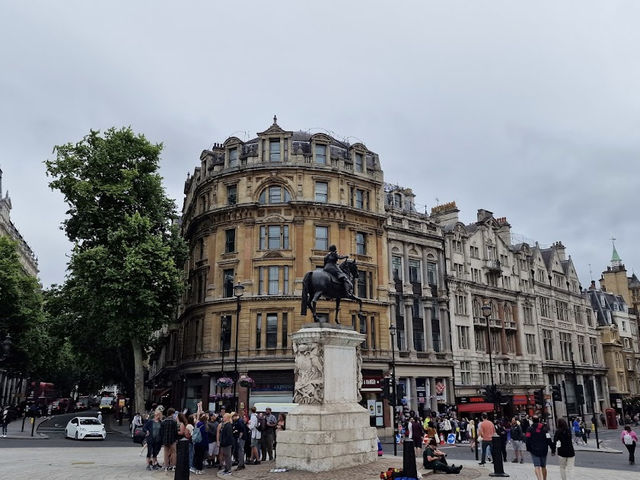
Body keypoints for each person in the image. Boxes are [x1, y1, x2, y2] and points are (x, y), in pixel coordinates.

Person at [525, 415, 553, 480]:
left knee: (537, 466)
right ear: (539, 420)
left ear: (532, 420)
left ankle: (539, 479)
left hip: (534, 450)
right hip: (544, 449)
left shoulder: (529, 429)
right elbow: (548, 439)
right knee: (543, 466)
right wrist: (552, 448)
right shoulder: (544, 428)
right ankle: (544, 479)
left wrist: (528, 448)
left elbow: (527, 439)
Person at [175, 413, 191, 480]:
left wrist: (175, 432)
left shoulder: (181, 424)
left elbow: (182, 432)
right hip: (183, 441)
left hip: (182, 441)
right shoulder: (183, 423)